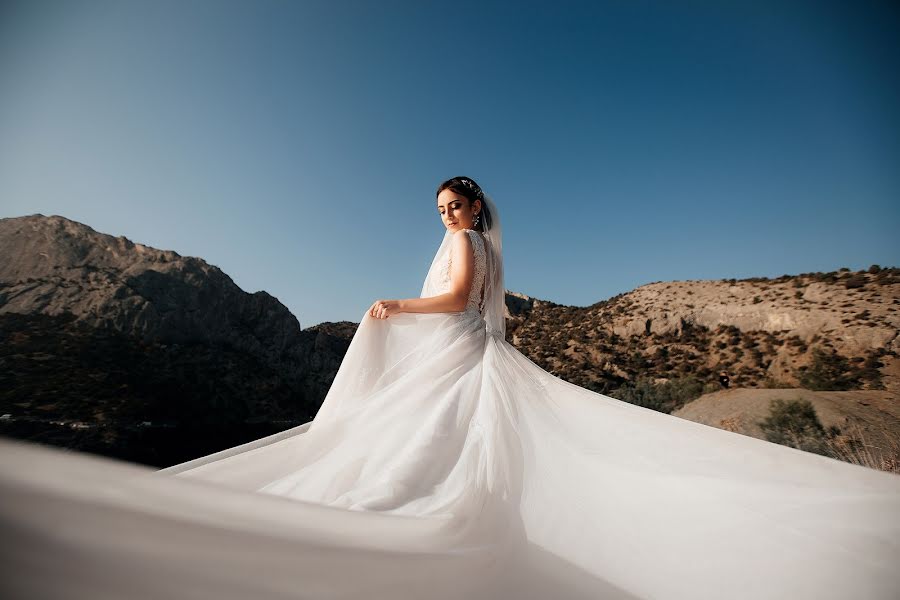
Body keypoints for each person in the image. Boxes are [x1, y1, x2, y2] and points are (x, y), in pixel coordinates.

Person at [1, 176, 900, 600]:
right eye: (437, 213)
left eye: (452, 208)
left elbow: (458, 301)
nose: (446, 219)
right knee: (433, 446)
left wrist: (395, 301)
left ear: (473, 208)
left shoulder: (470, 249)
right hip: (460, 353)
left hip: (458, 349)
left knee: (427, 448)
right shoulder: (475, 233)